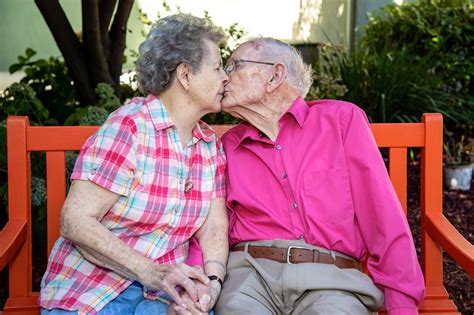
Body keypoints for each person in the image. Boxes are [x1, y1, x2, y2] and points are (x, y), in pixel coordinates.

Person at [214, 38, 426, 314]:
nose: (223, 77)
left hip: (332, 281)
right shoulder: (227, 145)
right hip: (249, 279)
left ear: (274, 75)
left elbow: (382, 216)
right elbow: (208, 226)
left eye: (234, 66)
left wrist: (402, 307)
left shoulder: (339, 121)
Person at [39, 14, 229, 315]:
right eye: (218, 68)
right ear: (185, 75)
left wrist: (212, 283)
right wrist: (154, 273)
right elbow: (75, 220)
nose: (225, 78)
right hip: (93, 290)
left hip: (163, 297)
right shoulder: (129, 128)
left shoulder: (209, 145)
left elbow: (214, 226)